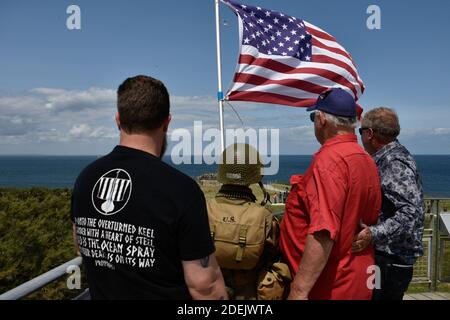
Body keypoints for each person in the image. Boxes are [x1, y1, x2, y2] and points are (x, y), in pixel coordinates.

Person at [70, 75, 227, 300]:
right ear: (167, 122)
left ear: (117, 120)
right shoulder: (182, 190)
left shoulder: (85, 178)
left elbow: (80, 244)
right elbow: (205, 286)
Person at [279, 88, 382, 300]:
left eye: (313, 117)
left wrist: (299, 291)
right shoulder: (366, 159)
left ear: (322, 119)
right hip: (357, 278)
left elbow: (324, 231)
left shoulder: (329, 162)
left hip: (330, 284)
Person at [353, 107, 425, 300]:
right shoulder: (389, 158)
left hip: (391, 261)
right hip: (389, 259)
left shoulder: (393, 162)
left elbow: (411, 213)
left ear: (369, 133)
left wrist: (372, 233)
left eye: (360, 131)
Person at [207, 143, 281, 300]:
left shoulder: (204, 209)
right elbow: (273, 255)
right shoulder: (264, 216)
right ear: (256, 175)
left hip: (210, 291)